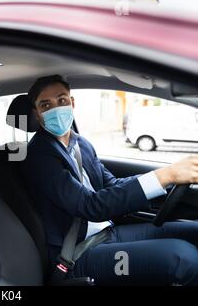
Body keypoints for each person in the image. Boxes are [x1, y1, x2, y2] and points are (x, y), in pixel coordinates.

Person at [21, 75, 198, 285]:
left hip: (108, 234)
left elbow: (111, 185)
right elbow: (90, 205)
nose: (56, 109)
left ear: (72, 103)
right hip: (76, 255)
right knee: (183, 259)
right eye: (46, 105)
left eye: (62, 100)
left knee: (193, 232)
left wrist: (165, 179)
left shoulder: (81, 144)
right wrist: (165, 175)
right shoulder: (39, 155)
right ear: (37, 114)